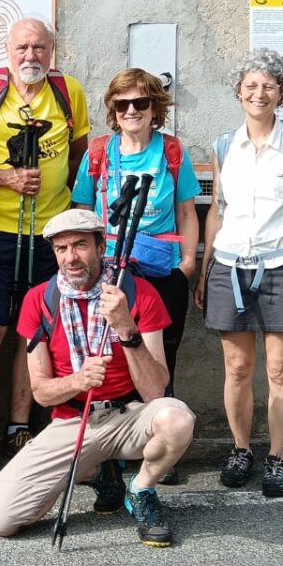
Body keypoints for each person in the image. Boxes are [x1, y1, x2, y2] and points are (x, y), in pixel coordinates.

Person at [0, 208, 195, 546]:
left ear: (100, 246)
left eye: (80, 245)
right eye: (61, 248)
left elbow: (156, 389)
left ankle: (141, 490)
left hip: (129, 415)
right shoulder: (39, 300)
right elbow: (41, 392)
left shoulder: (137, 293)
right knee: (2, 520)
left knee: (177, 418)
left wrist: (127, 327)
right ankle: (98, 472)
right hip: (73, 421)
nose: (71, 257)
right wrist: (78, 381)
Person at [0, 18, 90, 485]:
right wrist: (7, 178)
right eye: (22, 47)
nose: (31, 56)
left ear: (52, 51)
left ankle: (20, 429)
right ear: (8, 50)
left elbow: (78, 155)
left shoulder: (68, 91)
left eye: (40, 48)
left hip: (49, 236)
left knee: (37, 334)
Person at [193, 48, 283, 499]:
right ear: (238, 93)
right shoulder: (224, 146)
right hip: (230, 266)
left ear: (281, 93)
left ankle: (277, 456)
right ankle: (241, 449)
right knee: (237, 367)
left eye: (268, 85)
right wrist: (206, 266)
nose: (259, 93)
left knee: (281, 369)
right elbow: (217, 211)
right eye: (251, 85)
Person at [71, 68, 201, 390]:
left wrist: (186, 264)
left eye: (140, 103)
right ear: (114, 111)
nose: (131, 111)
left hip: (163, 270)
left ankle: (161, 424)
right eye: (122, 104)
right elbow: (83, 212)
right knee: (113, 350)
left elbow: (186, 212)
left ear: (154, 107)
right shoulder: (99, 153)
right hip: (110, 270)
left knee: (163, 354)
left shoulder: (172, 152)